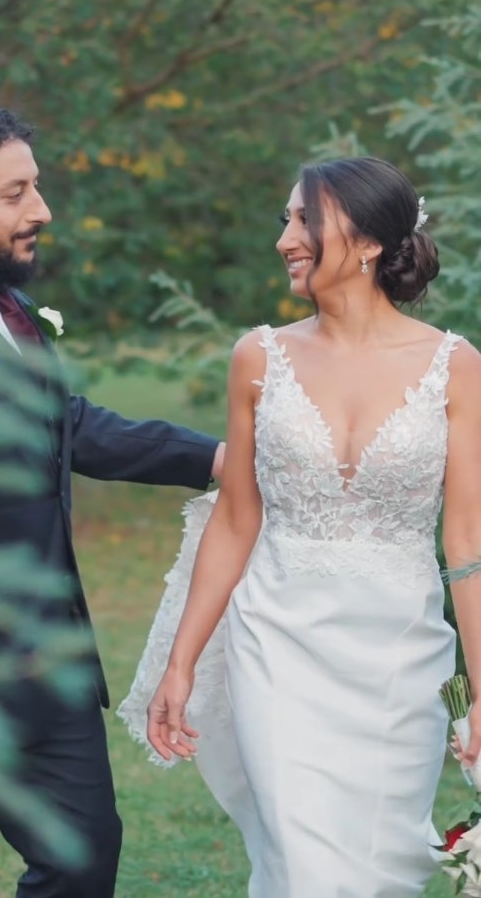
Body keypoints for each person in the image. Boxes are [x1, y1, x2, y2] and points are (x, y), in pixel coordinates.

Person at [142, 156, 481, 898]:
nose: (285, 239)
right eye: (286, 220)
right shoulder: (258, 358)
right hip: (278, 644)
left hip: (401, 657)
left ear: (364, 243)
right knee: (302, 866)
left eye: (304, 220)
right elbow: (235, 520)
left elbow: (466, 546)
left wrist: (480, 686)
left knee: (378, 868)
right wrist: (181, 661)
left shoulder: (456, 367)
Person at [0, 97, 224, 898]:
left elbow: (68, 426)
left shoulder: (7, 311)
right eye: (15, 194)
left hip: (44, 666)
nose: (43, 210)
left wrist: (216, 456)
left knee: (84, 856)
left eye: (38, 187)